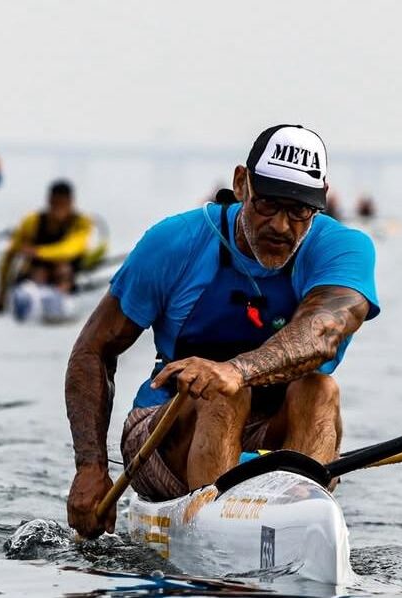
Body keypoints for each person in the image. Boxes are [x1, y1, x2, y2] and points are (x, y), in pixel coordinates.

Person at [66, 125, 379, 538]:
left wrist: (237, 370)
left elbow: (324, 333)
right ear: (241, 183)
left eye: (299, 211)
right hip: (162, 432)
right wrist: (91, 466)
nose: (282, 226)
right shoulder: (174, 241)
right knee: (225, 394)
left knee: (319, 391)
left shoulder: (342, 248)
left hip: (269, 428)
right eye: (268, 204)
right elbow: (92, 350)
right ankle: (215, 532)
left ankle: (300, 523)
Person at [0, 179, 94, 317]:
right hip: (36, 272)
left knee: (63, 267)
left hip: (64, 271)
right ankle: (31, 296)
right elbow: (9, 255)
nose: (58, 209)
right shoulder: (31, 221)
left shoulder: (82, 222)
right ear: (49, 201)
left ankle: (60, 296)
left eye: (63, 204)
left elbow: (71, 249)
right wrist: (1, 292)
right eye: (55, 204)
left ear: (71, 203)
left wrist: (38, 252)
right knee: (39, 272)